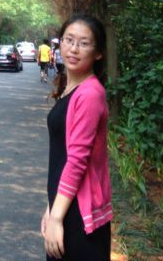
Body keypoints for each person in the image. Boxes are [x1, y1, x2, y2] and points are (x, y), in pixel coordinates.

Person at [41, 14, 111, 261]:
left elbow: (77, 160)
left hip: (78, 216)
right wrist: (51, 207)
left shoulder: (90, 94)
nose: (73, 49)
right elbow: (61, 156)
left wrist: (57, 217)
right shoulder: (71, 89)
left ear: (98, 53)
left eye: (84, 43)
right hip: (66, 205)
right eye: (69, 40)